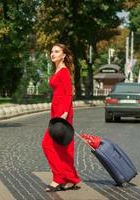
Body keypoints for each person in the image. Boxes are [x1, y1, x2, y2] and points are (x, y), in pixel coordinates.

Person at [42, 43, 81, 192]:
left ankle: (58, 178)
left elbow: (68, 93)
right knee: (63, 148)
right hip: (57, 111)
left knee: (47, 144)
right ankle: (71, 179)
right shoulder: (57, 69)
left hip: (62, 113)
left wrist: (63, 114)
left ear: (64, 55)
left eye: (56, 51)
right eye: (52, 51)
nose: (53, 54)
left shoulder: (63, 71)